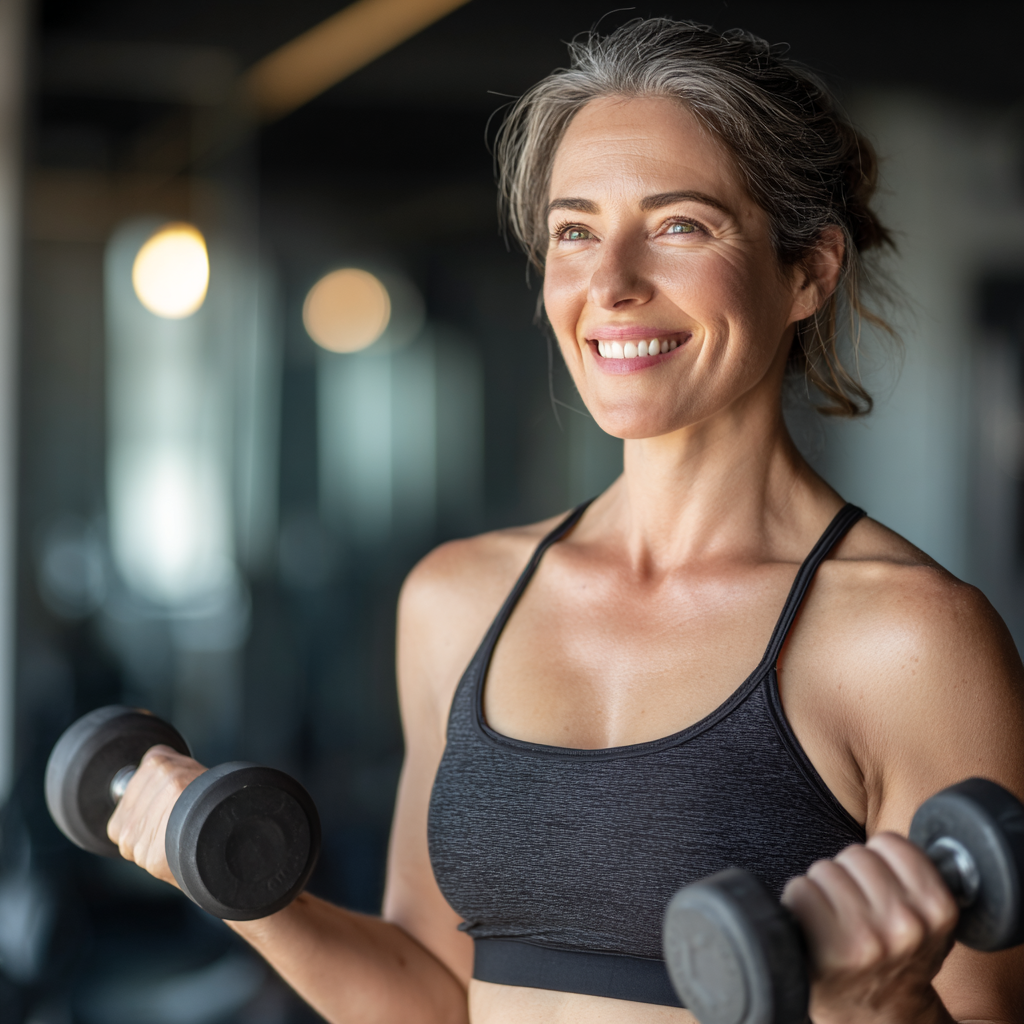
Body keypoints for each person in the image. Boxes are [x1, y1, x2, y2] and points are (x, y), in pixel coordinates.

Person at [107, 18, 1024, 1024]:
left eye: (680, 225)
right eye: (575, 231)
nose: (611, 283)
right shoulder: (458, 599)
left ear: (808, 268)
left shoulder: (910, 640)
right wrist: (236, 880)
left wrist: (880, 1006)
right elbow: (436, 994)